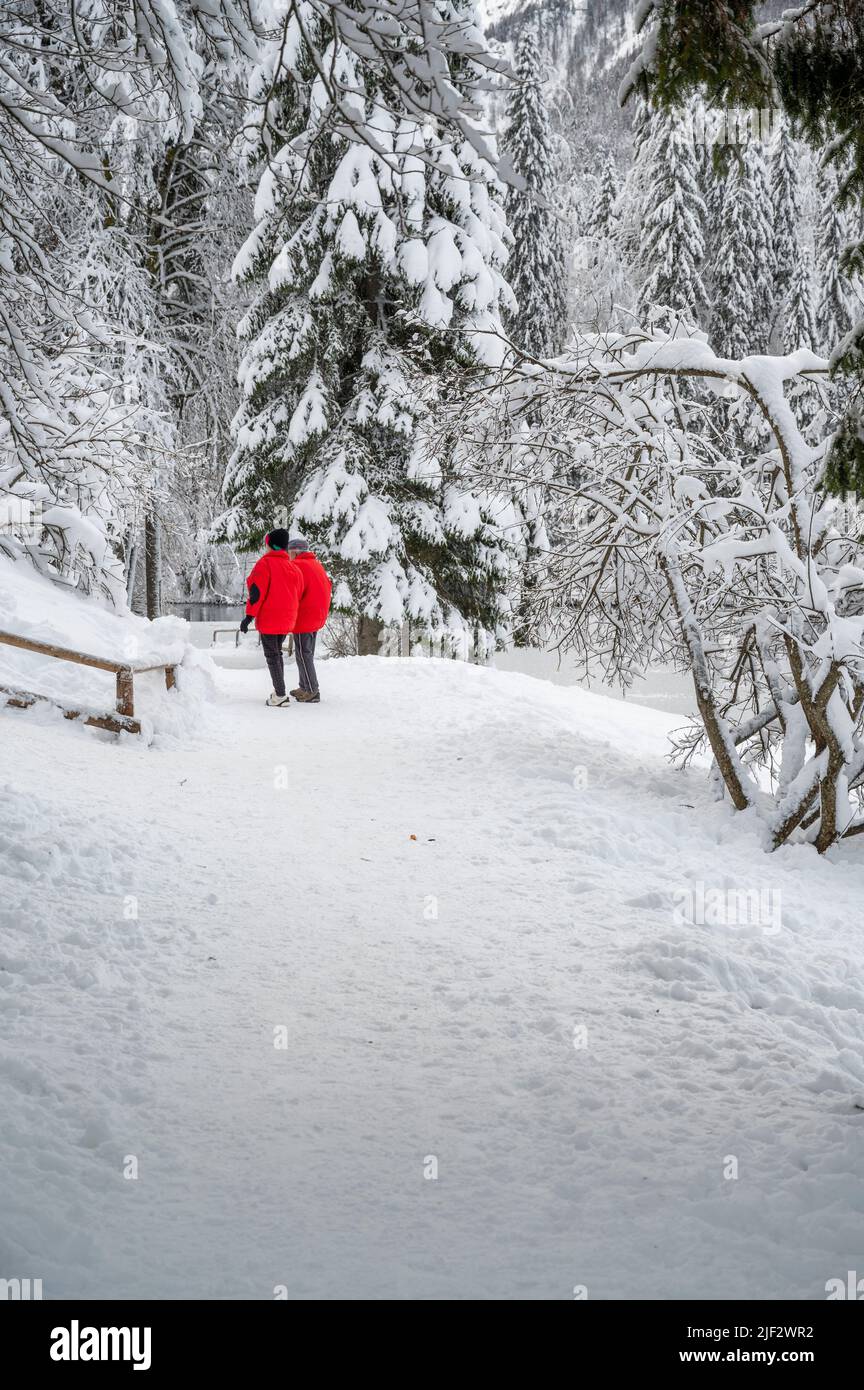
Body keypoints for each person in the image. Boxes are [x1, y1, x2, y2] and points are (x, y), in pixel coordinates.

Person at [239, 529, 303, 706]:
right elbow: (298, 592)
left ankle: (281, 695)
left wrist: (249, 616)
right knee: (277, 654)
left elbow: (256, 592)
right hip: (287, 618)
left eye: (266, 543)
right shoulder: (292, 567)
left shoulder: (265, 564)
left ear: (271, 544)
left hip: (270, 618)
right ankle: (279, 691)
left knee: (272, 655)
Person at [284, 536, 332, 703]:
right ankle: (304, 686)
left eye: (289, 552)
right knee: (305, 654)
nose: (288, 556)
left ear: (295, 552)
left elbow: (292, 593)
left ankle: (312, 690)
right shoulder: (316, 565)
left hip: (304, 617)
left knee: (303, 655)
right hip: (316, 615)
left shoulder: (297, 566)